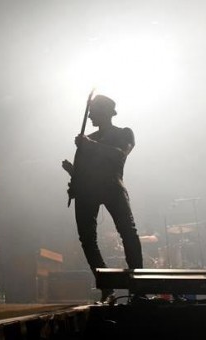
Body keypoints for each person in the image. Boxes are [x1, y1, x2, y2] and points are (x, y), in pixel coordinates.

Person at [62, 94, 143, 304]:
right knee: (87, 240)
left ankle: (139, 288)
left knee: (128, 232)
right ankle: (107, 288)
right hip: (87, 191)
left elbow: (120, 155)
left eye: (93, 111)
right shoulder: (88, 138)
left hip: (112, 187)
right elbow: (84, 172)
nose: (89, 116)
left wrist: (89, 145)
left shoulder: (124, 133)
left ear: (105, 112)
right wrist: (73, 173)